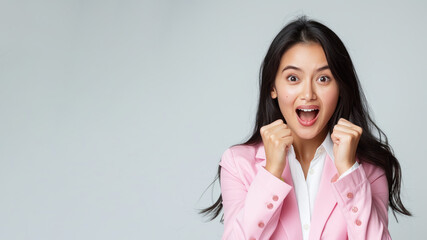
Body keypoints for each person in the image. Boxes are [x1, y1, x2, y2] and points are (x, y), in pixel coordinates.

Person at [198, 15, 411, 240]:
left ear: (340, 88)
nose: (308, 94)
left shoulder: (368, 168)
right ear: (273, 87)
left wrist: (349, 171)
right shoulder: (238, 164)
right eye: (293, 78)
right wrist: (271, 173)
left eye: (323, 79)